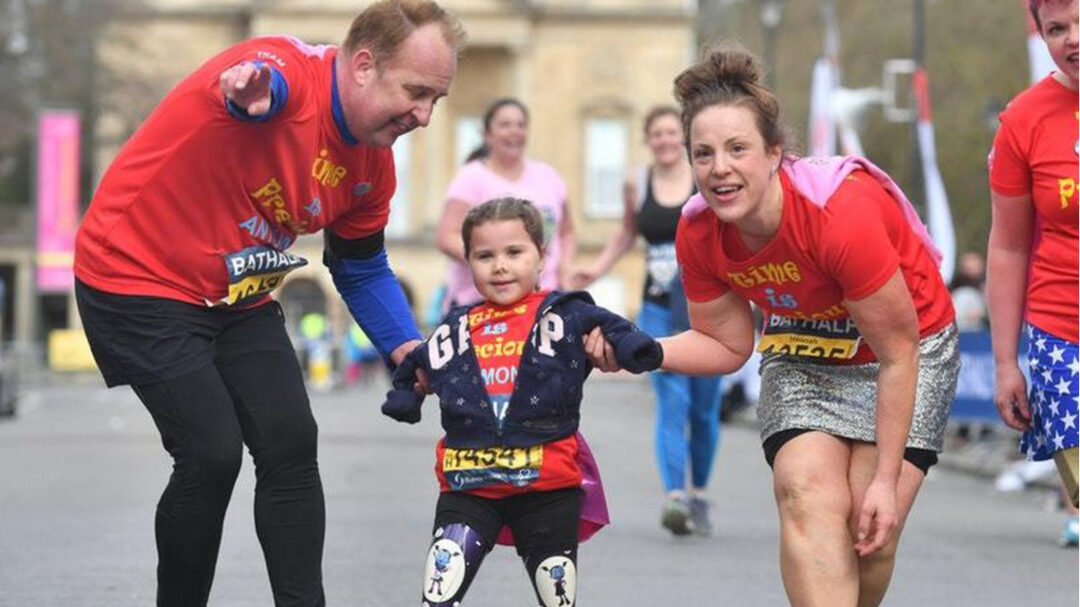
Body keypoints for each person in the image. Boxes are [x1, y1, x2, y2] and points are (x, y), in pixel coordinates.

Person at [72, 2, 465, 605]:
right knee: (210, 452)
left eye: (436, 99)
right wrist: (251, 91)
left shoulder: (372, 168)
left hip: (234, 295)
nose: (425, 116)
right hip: (136, 276)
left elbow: (359, 268)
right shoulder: (280, 77)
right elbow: (262, 81)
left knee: (289, 441)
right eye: (416, 92)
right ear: (363, 65)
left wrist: (405, 345)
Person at [653, 43, 959, 606]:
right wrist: (642, 350)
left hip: (903, 352)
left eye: (737, 149)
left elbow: (899, 352)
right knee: (803, 493)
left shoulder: (837, 216)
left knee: (869, 531)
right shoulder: (699, 230)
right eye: (704, 154)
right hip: (804, 351)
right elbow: (725, 345)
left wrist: (888, 484)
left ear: (774, 153)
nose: (719, 168)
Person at [382, 197, 662, 607]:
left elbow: (614, 328)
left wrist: (635, 348)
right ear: (468, 261)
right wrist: (405, 395)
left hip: (547, 490)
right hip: (468, 487)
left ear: (541, 255)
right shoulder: (456, 327)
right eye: (485, 255)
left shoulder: (565, 314)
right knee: (438, 597)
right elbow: (418, 360)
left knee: (558, 601)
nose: (500, 266)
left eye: (514, 252)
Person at [570, 106, 724, 536]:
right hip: (657, 307)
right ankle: (675, 497)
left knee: (704, 410)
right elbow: (625, 232)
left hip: (708, 306)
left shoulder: (705, 176)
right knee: (672, 402)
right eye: (656, 134)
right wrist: (595, 270)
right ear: (647, 139)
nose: (664, 141)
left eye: (672, 132)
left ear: (685, 137)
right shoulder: (637, 183)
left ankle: (700, 493)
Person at [986, 0, 1079, 547]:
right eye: (1057, 29)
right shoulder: (1023, 120)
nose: (1072, 39)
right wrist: (1004, 363)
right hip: (1061, 336)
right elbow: (1009, 246)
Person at [436, 98, 577, 310]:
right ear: (487, 134)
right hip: (482, 302)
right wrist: (493, 263)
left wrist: (565, 270)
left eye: (521, 125)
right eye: (505, 125)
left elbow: (566, 232)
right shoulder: (471, 177)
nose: (514, 131)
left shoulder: (549, 176)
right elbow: (446, 236)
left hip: (544, 300)